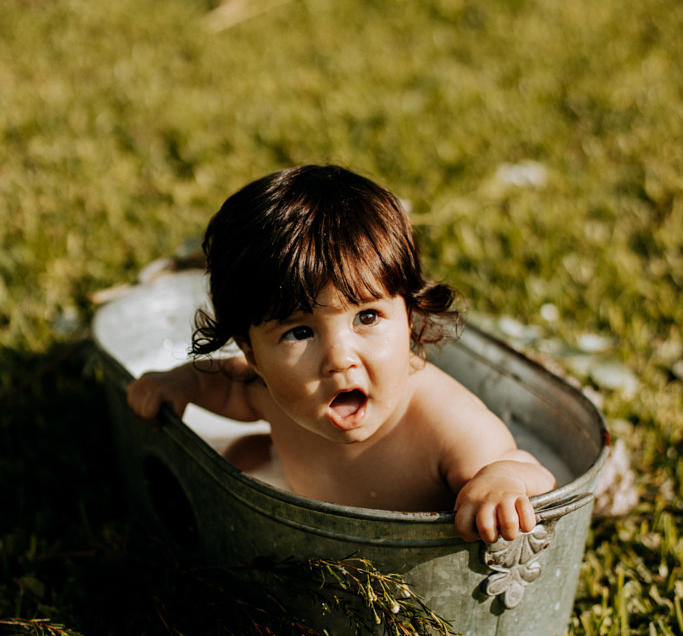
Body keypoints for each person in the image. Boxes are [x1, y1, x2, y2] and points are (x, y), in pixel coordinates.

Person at [127, 165, 556, 543]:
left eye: (367, 317)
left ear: (409, 316)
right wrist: (181, 382)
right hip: (307, 519)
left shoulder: (442, 420)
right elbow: (220, 386)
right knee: (242, 453)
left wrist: (502, 481)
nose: (339, 358)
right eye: (299, 332)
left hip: (408, 570)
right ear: (252, 354)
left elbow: (530, 470)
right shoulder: (265, 389)